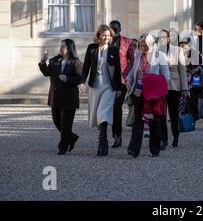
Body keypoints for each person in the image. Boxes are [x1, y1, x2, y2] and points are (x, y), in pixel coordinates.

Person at [80, 25, 122, 156]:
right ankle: (102, 141)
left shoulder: (114, 49)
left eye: (109, 36)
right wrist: (82, 82)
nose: (106, 38)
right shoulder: (91, 48)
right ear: (98, 35)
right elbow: (86, 66)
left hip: (109, 86)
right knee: (97, 114)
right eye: (104, 35)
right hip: (95, 85)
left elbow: (118, 69)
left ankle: (102, 143)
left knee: (102, 113)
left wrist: (119, 87)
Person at [126, 34, 170, 158]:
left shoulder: (160, 56)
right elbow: (133, 70)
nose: (143, 47)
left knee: (154, 121)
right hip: (138, 92)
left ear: (152, 44)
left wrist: (148, 80)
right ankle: (134, 149)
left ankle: (154, 149)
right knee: (137, 120)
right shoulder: (138, 54)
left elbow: (166, 76)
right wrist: (128, 80)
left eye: (145, 45)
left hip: (152, 94)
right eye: (141, 45)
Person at [39, 40, 82, 155]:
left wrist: (67, 79)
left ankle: (62, 147)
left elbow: (79, 79)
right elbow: (46, 72)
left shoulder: (76, 63)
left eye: (63, 46)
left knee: (66, 124)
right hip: (56, 97)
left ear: (69, 49)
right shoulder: (54, 61)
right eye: (60, 46)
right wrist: (43, 61)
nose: (61, 48)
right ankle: (72, 138)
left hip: (69, 98)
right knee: (57, 121)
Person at [158, 29, 189, 149]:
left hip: (174, 86)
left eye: (164, 37)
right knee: (161, 113)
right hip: (160, 86)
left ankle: (175, 137)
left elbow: (182, 70)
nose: (162, 39)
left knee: (173, 113)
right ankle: (163, 139)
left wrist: (185, 88)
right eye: (160, 37)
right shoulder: (156, 51)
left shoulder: (178, 50)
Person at [109, 20, 135, 148]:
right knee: (110, 108)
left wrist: (130, 78)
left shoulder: (127, 42)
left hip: (122, 80)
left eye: (116, 30)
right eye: (111, 29)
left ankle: (117, 135)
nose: (114, 32)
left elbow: (133, 61)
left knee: (116, 106)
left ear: (120, 29)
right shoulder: (106, 41)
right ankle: (112, 133)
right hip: (108, 79)